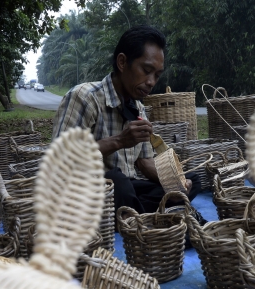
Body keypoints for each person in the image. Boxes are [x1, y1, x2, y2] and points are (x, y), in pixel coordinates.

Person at [52, 25, 202, 215]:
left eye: (157, 75)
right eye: (146, 70)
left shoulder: (138, 107)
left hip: (127, 191)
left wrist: (176, 183)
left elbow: (145, 163)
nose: (151, 82)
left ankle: (140, 214)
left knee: (193, 180)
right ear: (122, 62)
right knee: (118, 182)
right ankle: (153, 216)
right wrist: (119, 141)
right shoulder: (84, 97)